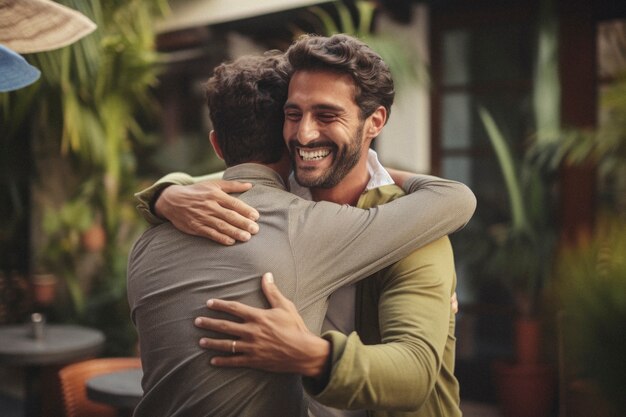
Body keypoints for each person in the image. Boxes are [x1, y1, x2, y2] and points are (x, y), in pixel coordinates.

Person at [136, 34, 471, 417]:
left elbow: (414, 375)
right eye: (293, 115)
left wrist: (310, 355)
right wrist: (165, 195)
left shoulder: (414, 223)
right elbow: (235, 177)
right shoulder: (274, 198)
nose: (304, 133)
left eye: (327, 116)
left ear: (374, 121)